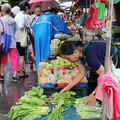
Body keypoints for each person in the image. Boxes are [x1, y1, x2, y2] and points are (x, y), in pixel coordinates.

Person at [59, 39, 120, 105]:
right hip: (108, 66)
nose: (68, 61)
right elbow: (81, 73)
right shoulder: (81, 54)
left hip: (117, 62)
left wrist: (94, 94)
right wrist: (68, 87)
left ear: (75, 52)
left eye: (68, 58)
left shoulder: (89, 55)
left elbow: (105, 77)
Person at [32, 7, 71, 73]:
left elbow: (33, 26)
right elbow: (61, 25)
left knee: (38, 52)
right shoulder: (52, 16)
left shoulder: (40, 17)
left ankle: (39, 71)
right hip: (45, 35)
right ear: (53, 12)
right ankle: (44, 71)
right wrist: (69, 32)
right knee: (45, 52)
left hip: (37, 35)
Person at [0, 3, 18, 82]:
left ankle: (2, 75)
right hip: (13, 42)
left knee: (3, 59)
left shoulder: (1, 20)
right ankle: (14, 76)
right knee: (14, 59)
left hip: (4, 43)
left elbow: (1, 30)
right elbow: (15, 31)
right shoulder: (13, 20)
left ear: (3, 11)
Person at [15, 1, 30, 78]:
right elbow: (21, 27)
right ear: (26, 7)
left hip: (17, 38)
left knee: (20, 55)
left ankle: (21, 70)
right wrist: (26, 26)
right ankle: (21, 73)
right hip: (21, 38)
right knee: (22, 56)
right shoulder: (22, 16)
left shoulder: (17, 15)